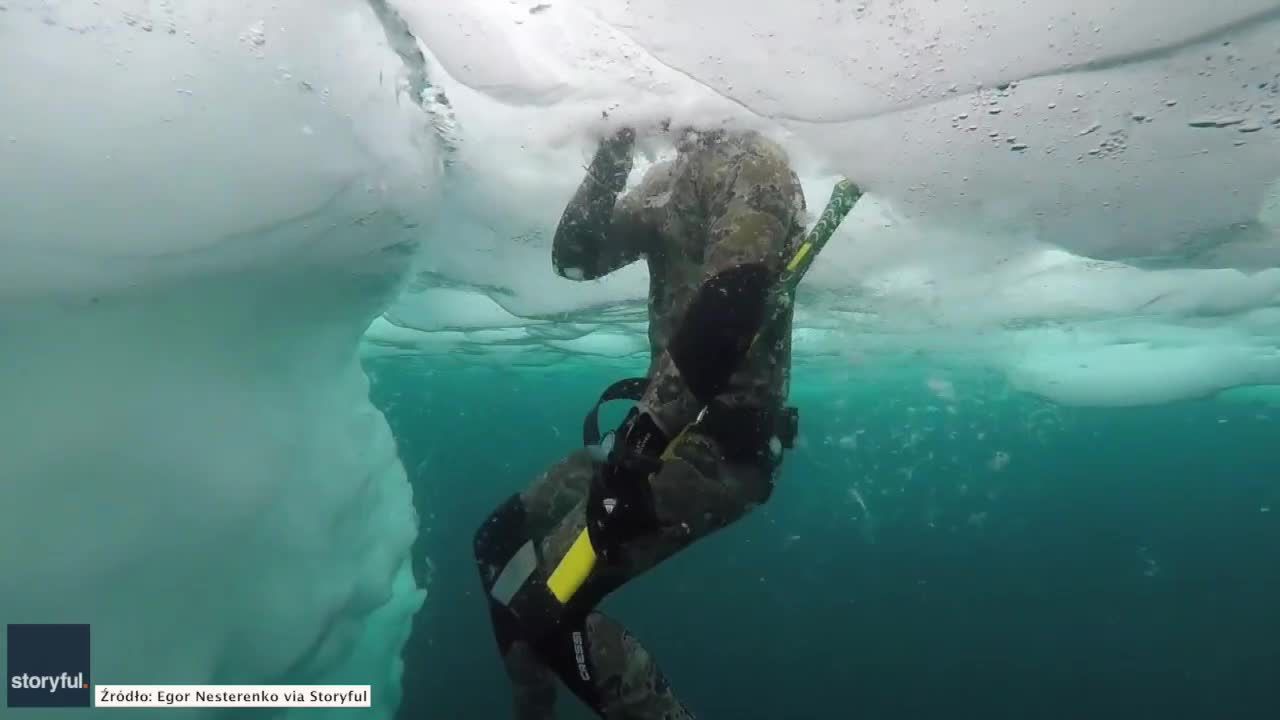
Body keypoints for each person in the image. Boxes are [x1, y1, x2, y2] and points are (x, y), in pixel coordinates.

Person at [473, 124, 815, 719]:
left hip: (718, 449)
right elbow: (576, 259)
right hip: (656, 435)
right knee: (498, 542)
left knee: (543, 606)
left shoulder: (755, 164)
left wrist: (644, 436)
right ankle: (533, 708)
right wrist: (609, 160)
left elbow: (732, 303)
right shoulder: (669, 179)